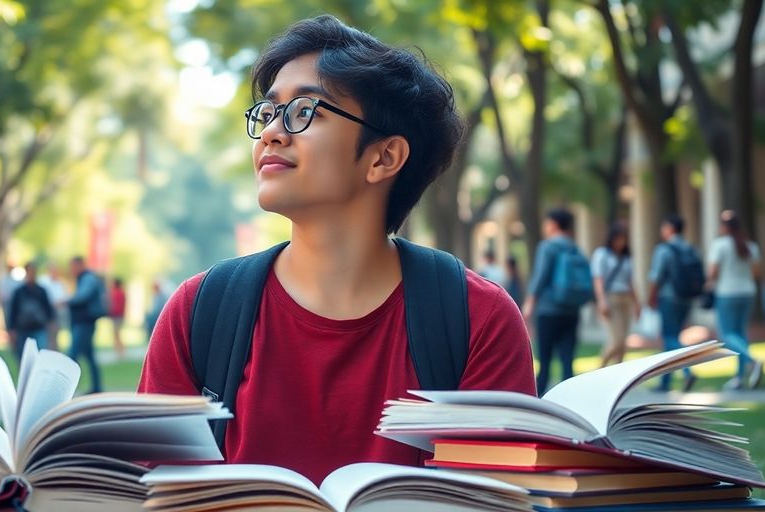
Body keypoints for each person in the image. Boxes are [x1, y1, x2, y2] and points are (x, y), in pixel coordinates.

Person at [139, 15, 534, 485]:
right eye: (268, 113)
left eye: (305, 111)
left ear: (383, 157)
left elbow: (492, 497)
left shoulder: (477, 320)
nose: (271, 132)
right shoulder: (199, 312)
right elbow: (158, 494)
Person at [523, 208, 587, 395]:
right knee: (568, 360)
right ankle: (570, 402)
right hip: (571, 310)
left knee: (545, 360)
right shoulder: (575, 247)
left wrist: (529, 304)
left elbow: (540, 277)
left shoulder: (548, 247)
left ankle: (537, 403)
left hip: (548, 310)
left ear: (554, 224)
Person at [707, 210, 763, 390]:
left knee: (726, 334)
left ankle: (753, 361)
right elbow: (756, 273)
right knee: (740, 334)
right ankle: (739, 378)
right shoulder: (750, 246)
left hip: (727, 293)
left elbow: (713, 273)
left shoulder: (720, 245)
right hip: (747, 292)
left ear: (724, 227)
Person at [647, 214, 698, 392]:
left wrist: (650, 297)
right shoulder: (690, 248)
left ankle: (687, 371)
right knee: (672, 339)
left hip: (669, 298)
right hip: (687, 298)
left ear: (669, 228)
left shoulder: (664, 249)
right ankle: (665, 382)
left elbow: (656, 277)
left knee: (670, 338)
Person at [591, 221, 639, 367]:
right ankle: (600, 369)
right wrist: (601, 301)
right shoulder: (602, 255)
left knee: (623, 342)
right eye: (619, 238)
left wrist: (637, 303)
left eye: (624, 239)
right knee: (616, 340)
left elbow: (630, 282)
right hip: (611, 298)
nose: (621, 242)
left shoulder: (626, 258)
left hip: (626, 299)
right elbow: (598, 279)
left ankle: (617, 372)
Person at [67, 256, 105, 393]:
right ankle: (97, 387)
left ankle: (63, 388)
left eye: (73, 267)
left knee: (72, 354)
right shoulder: (84, 278)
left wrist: (67, 300)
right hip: (83, 322)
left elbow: (82, 296)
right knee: (89, 356)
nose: (71, 270)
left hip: (84, 323)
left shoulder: (87, 278)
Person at [8, 261, 55, 360]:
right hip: (23, 329)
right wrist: (12, 330)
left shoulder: (41, 291)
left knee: (40, 355)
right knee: (23, 357)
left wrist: (51, 326)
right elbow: (13, 312)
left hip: (39, 328)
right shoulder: (18, 292)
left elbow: (48, 310)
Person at [38, 263, 69, 351]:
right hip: (46, 313)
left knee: (54, 337)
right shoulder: (43, 282)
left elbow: (64, 297)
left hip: (57, 313)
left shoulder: (61, 283)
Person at [109, 277, 127, 360]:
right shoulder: (122, 293)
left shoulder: (116, 293)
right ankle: (120, 351)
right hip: (120, 315)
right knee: (117, 334)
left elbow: (114, 305)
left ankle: (120, 351)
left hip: (116, 316)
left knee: (116, 334)